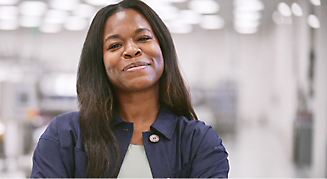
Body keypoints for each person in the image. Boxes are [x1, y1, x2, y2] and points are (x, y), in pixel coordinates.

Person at [31, 0, 229, 178]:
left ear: (163, 49)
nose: (132, 50)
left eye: (143, 38)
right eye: (115, 45)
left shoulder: (198, 142)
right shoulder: (64, 136)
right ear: (99, 62)